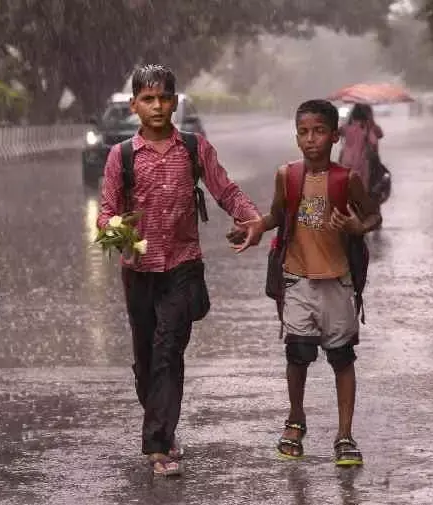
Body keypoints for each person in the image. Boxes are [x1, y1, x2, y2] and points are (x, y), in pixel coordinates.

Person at [96, 64, 264, 477]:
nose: (157, 106)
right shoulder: (121, 156)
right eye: (148, 99)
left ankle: (157, 448)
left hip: (184, 266)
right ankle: (165, 430)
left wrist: (252, 217)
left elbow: (224, 188)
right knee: (146, 359)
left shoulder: (194, 148)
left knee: (168, 352)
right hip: (138, 270)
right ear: (134, 105)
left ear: (175, 102)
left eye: (164, 98)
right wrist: (117, 231)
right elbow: (105, 214)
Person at [237, 99, 381, 466]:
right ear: (296, 136)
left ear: (335, 135)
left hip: (337, 282)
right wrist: (257, 227)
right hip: (297, 279)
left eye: (319, 131)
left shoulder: (346, 180)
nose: (311, 139)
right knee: (298, 353)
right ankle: (295, 419)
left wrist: (355, 227)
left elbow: (373, 216)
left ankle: (344, 433)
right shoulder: (288, 175)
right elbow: (276, 215)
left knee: (341, 358)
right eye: (303, 132)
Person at [338, 104, 383, 188]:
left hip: (346, 161)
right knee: (361, 188)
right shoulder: (369, 127)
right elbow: (379, 136)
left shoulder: (347, 127)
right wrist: (372, 123)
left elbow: (337, 133)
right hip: (362, 162)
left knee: (346, 187)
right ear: (368, 114)